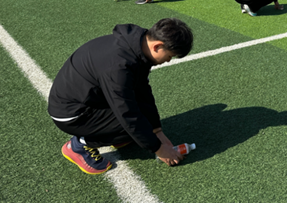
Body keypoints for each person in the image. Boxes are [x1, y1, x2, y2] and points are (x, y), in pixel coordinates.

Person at [48, 18, 194, 175]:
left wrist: (157, 131)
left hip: (91, 99)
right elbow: (127, 114)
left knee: (142, 123)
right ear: (157, 46)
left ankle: (115, 135)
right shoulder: (119, 67)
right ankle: (79, 145)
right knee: (132, 124)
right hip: (71, 114)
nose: (168, 61)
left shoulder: (137, 45)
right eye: (170, 55)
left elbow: (142, 90)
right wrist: (159, 149)